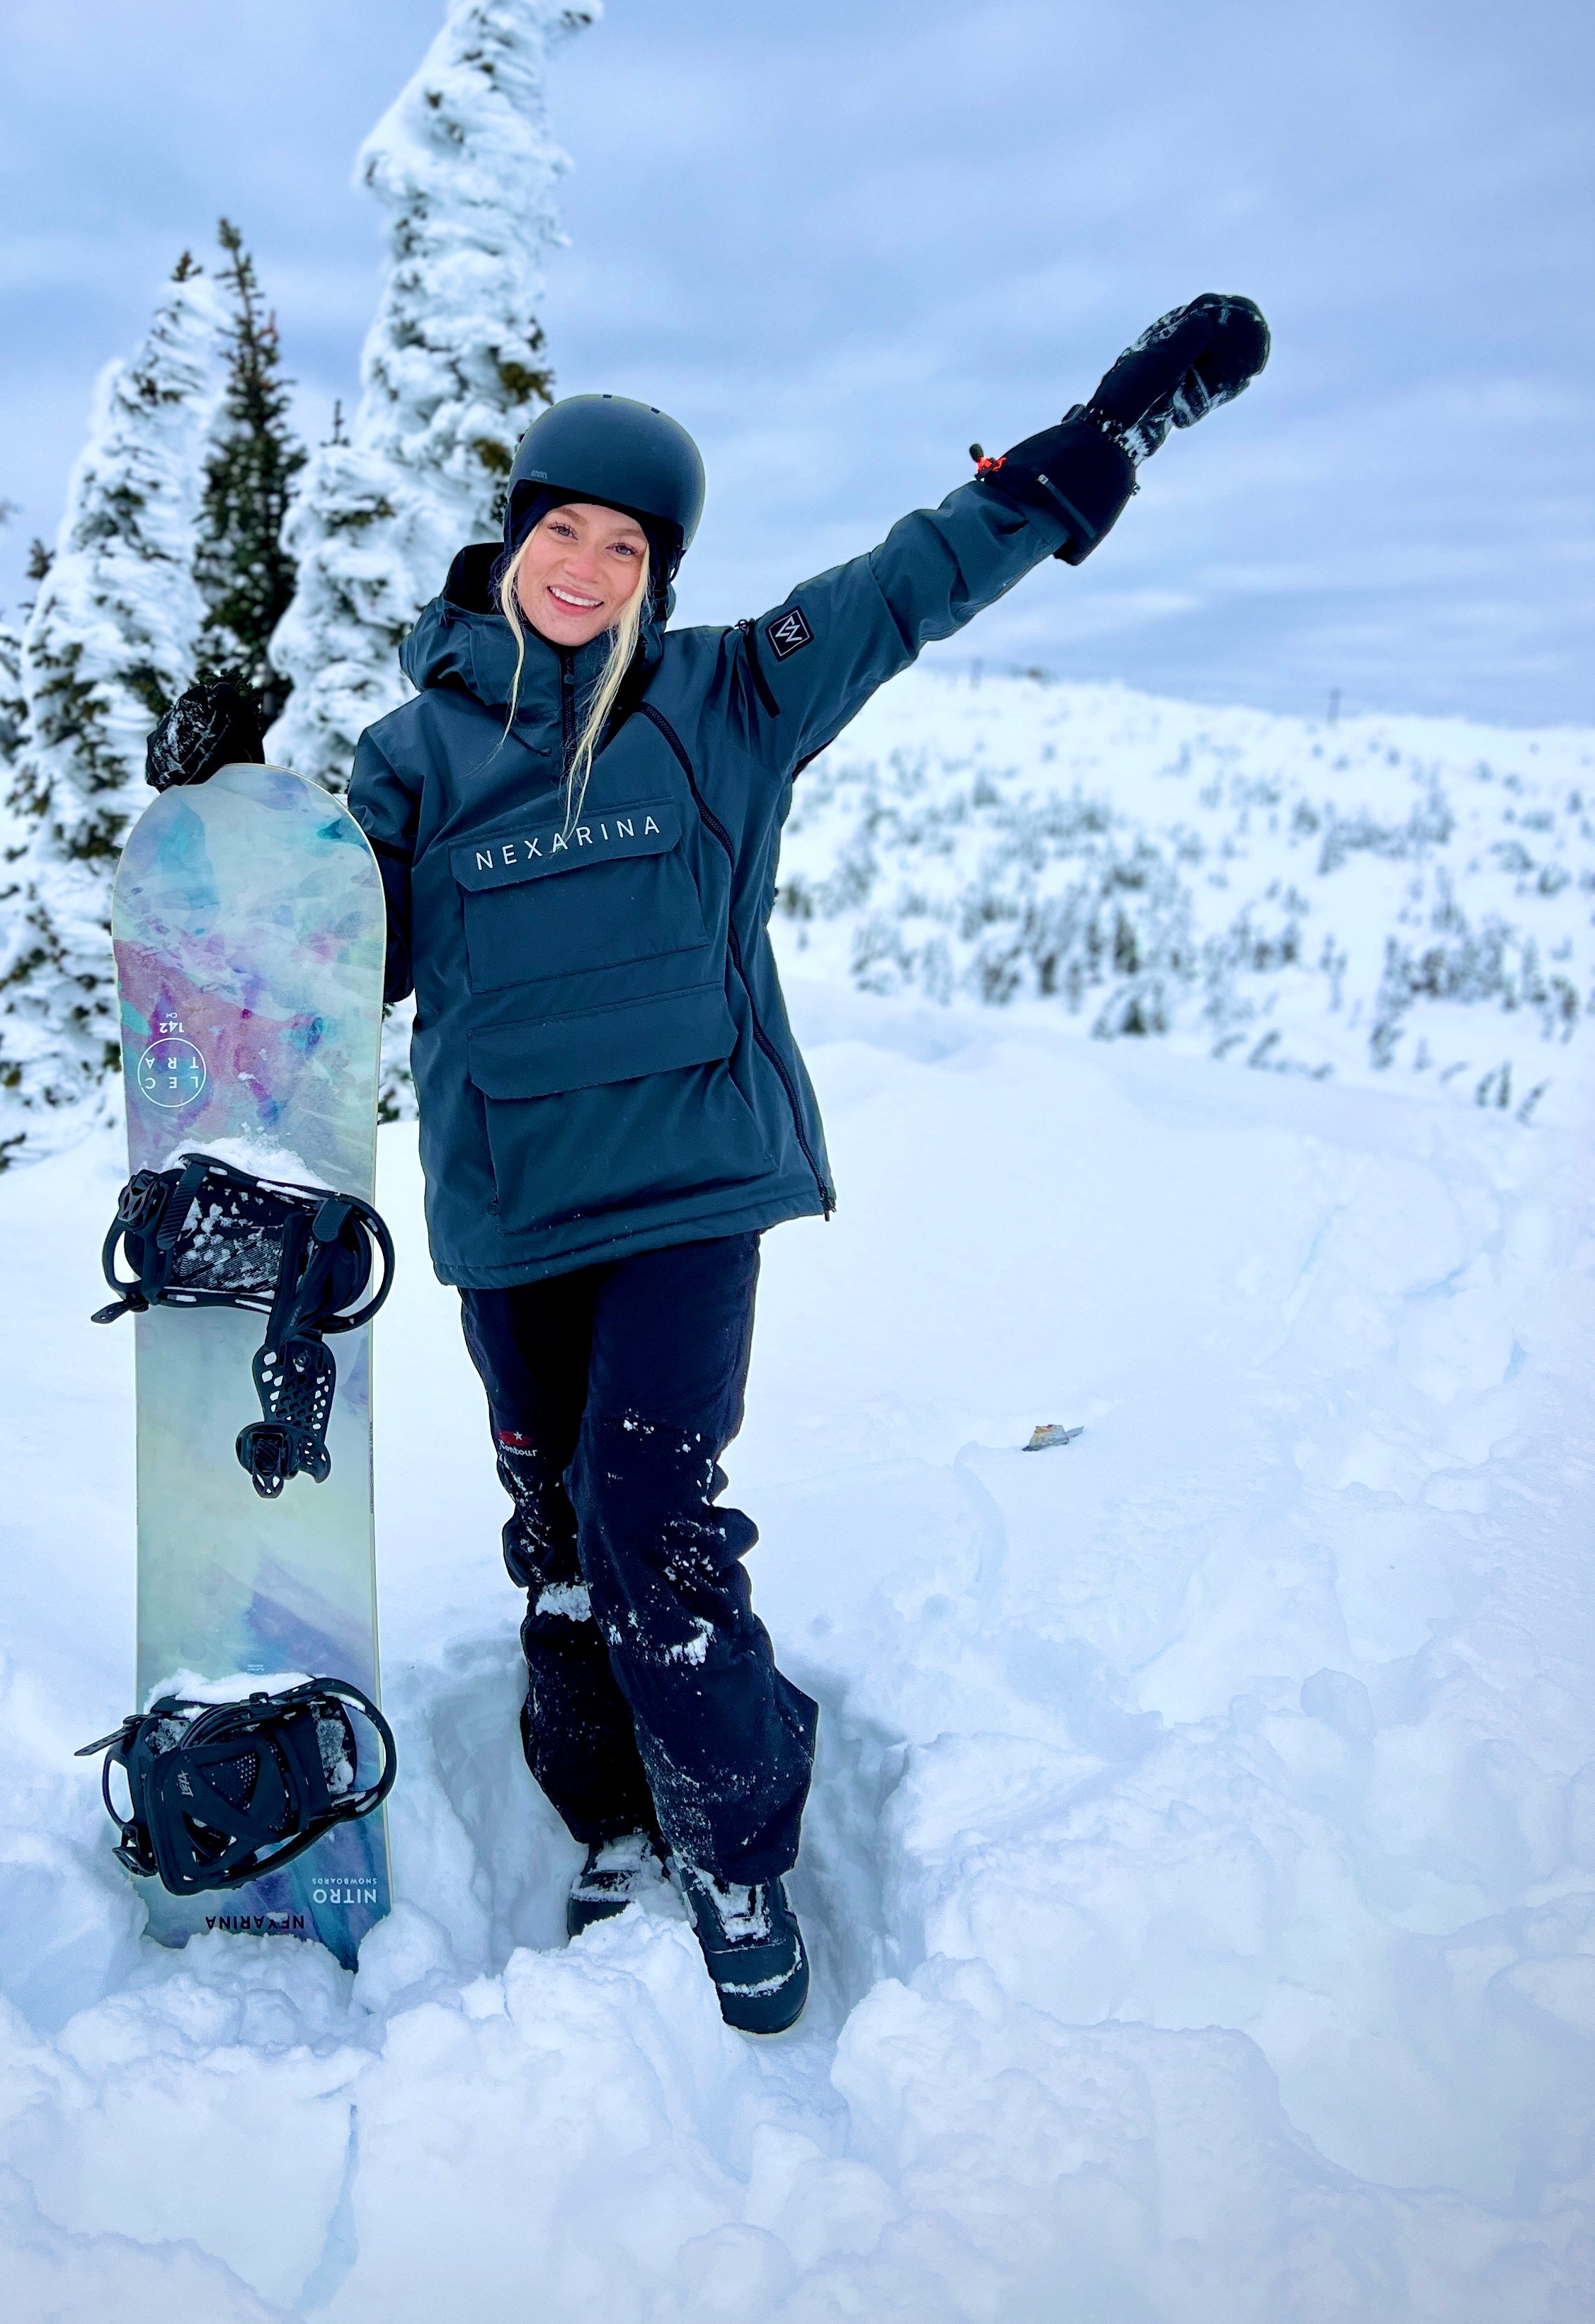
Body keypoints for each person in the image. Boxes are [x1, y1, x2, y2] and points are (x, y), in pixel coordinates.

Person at [345, 293, 1270, 2032]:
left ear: (658, 573)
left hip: (692, 1183)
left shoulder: (724, 703)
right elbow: (350, 954)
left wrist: (1108, 436)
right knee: (553, 1530)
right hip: (506, 1205)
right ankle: (611, 1820)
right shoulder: (413, 754)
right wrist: (236, 836)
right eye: (565, 529)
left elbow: (917, 578)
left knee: (648, 1518)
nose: (587, 566)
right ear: (514, 537)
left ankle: (739, 1844)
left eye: (626, 545)